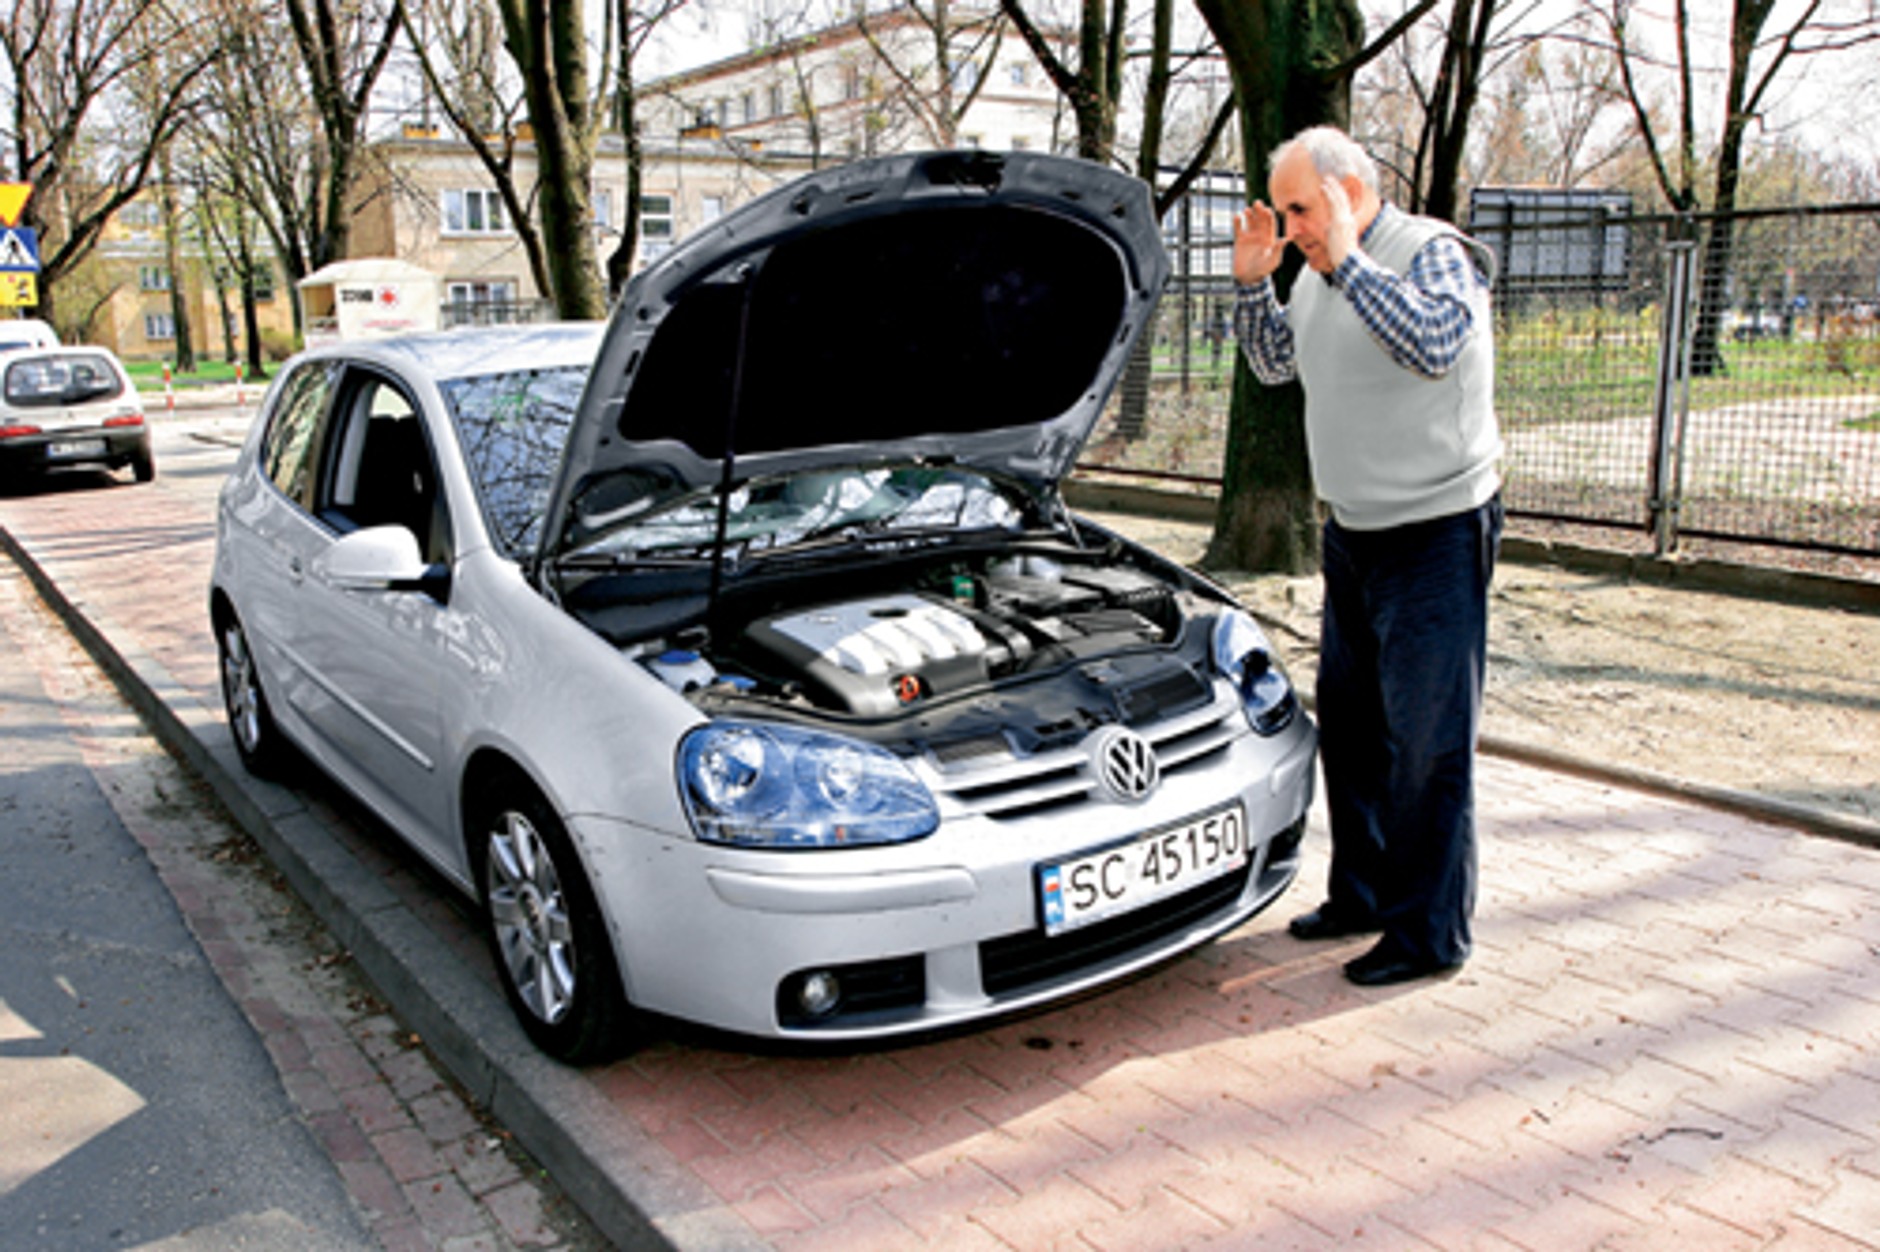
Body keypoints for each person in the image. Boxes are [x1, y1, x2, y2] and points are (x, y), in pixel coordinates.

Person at [1232, 125, 1503, 988]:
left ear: (1348, 193)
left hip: (1435, 531)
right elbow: (1278, 366)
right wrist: (1251, 289)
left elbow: (1432, 344)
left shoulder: (1431, 253)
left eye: (1300, 208)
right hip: (1354, 532)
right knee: (1351, 726)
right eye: (1283, 211)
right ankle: (1362, 896)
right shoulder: (1313, 274)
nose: (1292, 226)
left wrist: (1347, 260)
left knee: (1428, 741)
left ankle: (1429, 934)